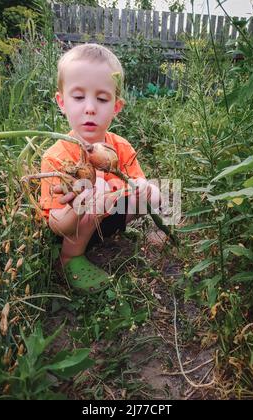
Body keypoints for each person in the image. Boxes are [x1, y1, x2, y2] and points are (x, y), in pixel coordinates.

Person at [40, 43, 161, 293]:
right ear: (62, 102)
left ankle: (123, 233)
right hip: (71, 230)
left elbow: (139, 186)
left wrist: (144, 190)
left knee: (156, 191)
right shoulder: (56, 157)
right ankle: (70, 258)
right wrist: (77, 207)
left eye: (102, 98)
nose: (90, 107)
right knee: (96, 192)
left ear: (116, 107)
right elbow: (57, 225)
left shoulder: (121, 147)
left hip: (108, 219)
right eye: (78, 96)